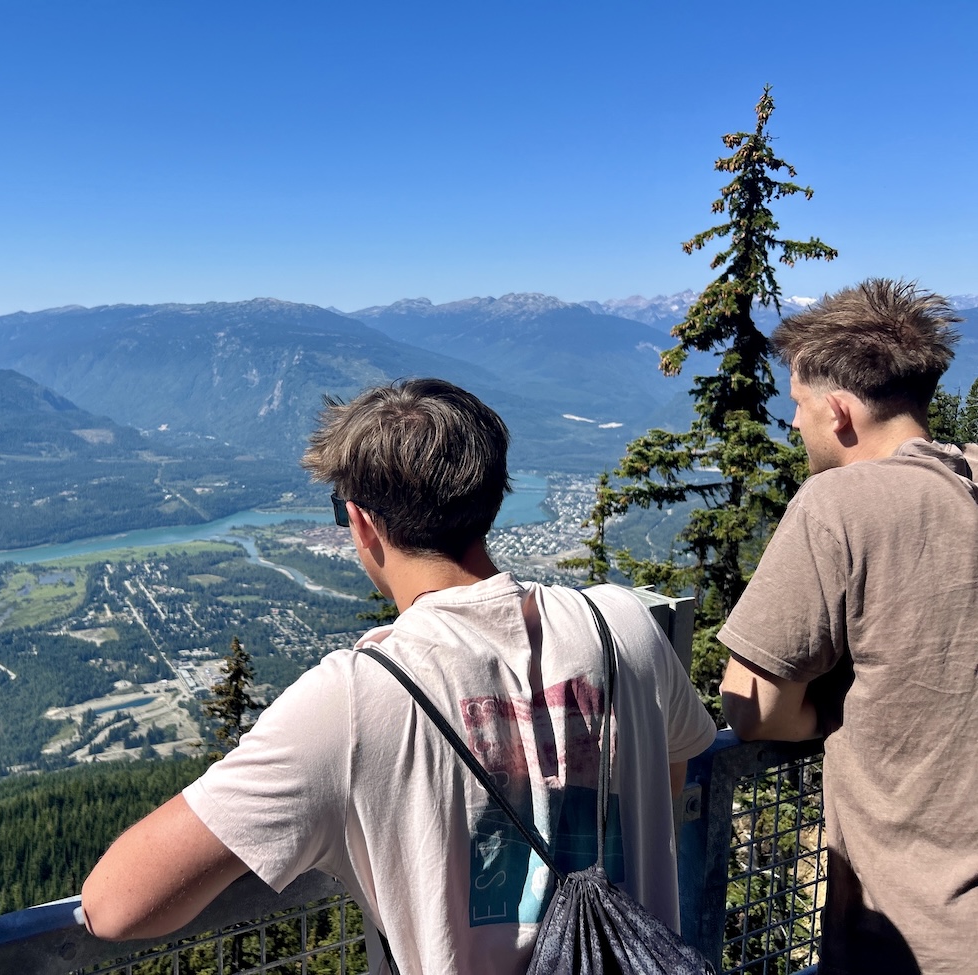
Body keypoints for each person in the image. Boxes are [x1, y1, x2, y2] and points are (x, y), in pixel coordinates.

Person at [83, 377, 717, 973]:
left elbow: (115, 905)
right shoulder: (621, 625)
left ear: (361, 522)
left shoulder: (355, 700)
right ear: (494, 499)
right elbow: (673, 767)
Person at [718, 279, 978, 975]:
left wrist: (827, 710)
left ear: (838, 411)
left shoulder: (845, 500)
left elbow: (751, 705)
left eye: (797, 405)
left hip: (916, 937)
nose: (793, 424)